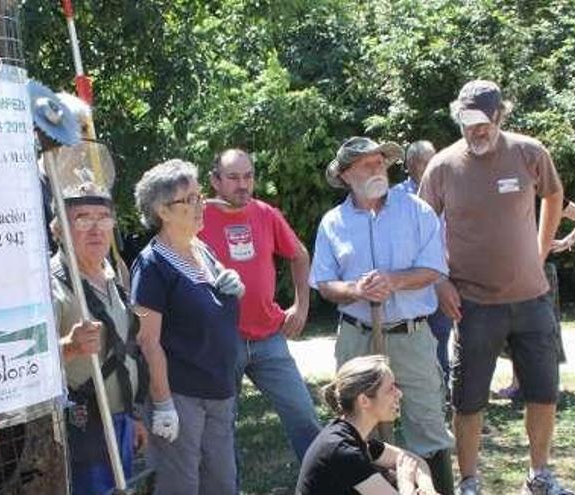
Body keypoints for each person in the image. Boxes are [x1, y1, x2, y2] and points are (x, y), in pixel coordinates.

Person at [419, 80, 570, 495]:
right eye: (468, 123)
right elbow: (421, 231)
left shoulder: (529, 152)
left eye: (485, 122)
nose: (477, 131)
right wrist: (440, 280)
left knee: (543, 392)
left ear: (500, 115)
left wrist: (539, 252)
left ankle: (539, 475)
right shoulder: (443, 167)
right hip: (474, 305)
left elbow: (554, 196)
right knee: (469, 400)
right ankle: (469, 483)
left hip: (532, 299)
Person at [310, 136, 455, 495]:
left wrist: (394, 281)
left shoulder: (416, 211)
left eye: (380, 162)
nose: (378, 169)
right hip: (357, 336)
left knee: (427, 425)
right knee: (361, 428)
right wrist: (356, 290)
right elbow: (325, 283)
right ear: (346, 176)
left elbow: (433, 268)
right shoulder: (333, 223)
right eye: (367, 164)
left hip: (411, 335)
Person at [198, 148, 319, 462]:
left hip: (269, 337)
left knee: (304, 415)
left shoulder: (265, 213)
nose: (243, 184)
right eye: (233, 177)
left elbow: (300, 255)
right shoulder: (197, 217)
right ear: (215, 181)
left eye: (248, 176)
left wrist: (301, 306)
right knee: (221, 429)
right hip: (223, 341)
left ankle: (323, 482)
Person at [130, 159, 244, 494]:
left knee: (222, 483)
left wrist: (233, 287)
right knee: (182, 485)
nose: (201, 205)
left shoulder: (202, 248)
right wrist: (164, 404)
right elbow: (148, 342)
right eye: (189, 199)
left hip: (219, 389)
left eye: (199, 196)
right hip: (181, 396)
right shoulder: (152, 266)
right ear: (162, 210)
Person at [49, 167, 147, 494]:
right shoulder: (50, 285)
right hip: (84, 428)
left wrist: (133, 416)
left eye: (103, 218)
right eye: (82, 219)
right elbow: (30, 362)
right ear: (58, 229)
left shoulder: (113, 274)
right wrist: (69, 346)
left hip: (119, 420)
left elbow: (124, 351)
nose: (95, 229)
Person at [494, 199, 575, 401]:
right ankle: (527, 384)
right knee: (531, 326)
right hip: (526, 269)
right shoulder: (544, 196)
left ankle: (532, 384)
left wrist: (567, 241)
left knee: (534, 326)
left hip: (534, 271)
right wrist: (568, 240)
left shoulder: (544, 197)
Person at [296, 355, 439, 495]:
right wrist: (405, 482)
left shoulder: (353, 438)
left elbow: (415, 461)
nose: (399, 394)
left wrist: (428, 489)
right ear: (364, 401)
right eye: (390, 389)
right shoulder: (343, 453)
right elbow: (407, 473)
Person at [393, 141, 454, 385]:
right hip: (411, 279)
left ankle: (442, 389)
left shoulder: (449, 192)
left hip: (444, 275)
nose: (431, 168)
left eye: (434, 161)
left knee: (441, 333)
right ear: (410, 166)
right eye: (424, 162)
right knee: (410, 336)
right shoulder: (396, 197)